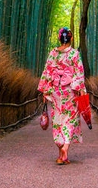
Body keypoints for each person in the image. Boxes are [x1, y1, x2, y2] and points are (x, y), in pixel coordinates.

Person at [37, 27, 87, 165]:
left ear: (59, 38)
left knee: (58, 119)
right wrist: (80, 88)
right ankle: (65, 147)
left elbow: (47, 71)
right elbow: (79, 72)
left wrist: (45, 90)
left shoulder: (53, 53)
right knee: (70, 120)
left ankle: (62, 156)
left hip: (56, 91)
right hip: (70, 91)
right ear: (71, 38)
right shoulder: (74, 54)